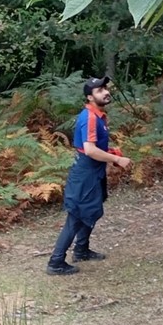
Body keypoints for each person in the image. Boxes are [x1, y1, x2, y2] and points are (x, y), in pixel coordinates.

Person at [46, 75, 132, 276]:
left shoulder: (100, 115)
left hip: (94, 172)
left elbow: (93, 148)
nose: (106, 92)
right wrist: (117, 160)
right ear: (90, 97)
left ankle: (81, 250)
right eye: (99, 90)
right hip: (85, 173)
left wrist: (110, 153)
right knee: (76, 216)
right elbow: (90, 150)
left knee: (92, 210)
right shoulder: (90, 118)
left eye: (105, 88)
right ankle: (56, 262)